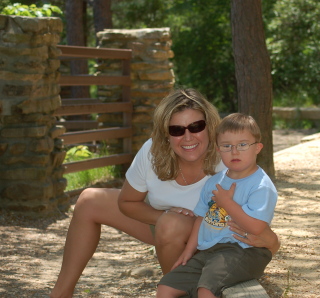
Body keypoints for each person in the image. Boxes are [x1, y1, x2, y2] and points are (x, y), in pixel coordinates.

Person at [50, 89, 280, 298]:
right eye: (177, 130)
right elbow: (127, 202)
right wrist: (161, 217)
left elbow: (260, 225)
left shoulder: (229, 155)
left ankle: (180, 291)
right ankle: (61, 293)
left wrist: (271, 242)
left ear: (209, 126)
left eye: (196, 127)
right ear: (166, 134)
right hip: (167, 228)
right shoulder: (152, 151)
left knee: (171, 225)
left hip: (212, 238)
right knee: (89, 200)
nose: (188, 137)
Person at [157, 113, 278, 298]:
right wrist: (188, 252)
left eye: (243, 145)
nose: (235, 151)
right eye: (227, 146)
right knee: (165, 288)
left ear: (258, 148)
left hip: (244, 251)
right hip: (209, 250)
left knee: (206, 290)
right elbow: (201, 218)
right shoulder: (214, 182)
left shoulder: (261, 185)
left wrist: (227, 203)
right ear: (218, 149)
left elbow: (257, 227)